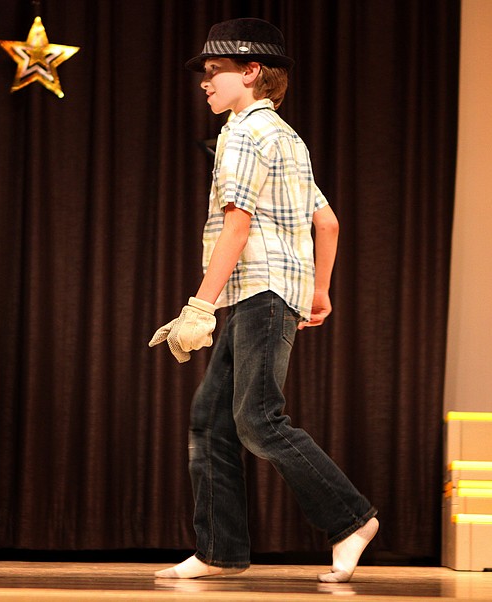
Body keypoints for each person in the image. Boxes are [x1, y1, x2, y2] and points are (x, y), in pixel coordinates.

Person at [149, 17, 378, 583]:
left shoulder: (246, 134)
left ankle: (352, 518)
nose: (204, 82)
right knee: (211, 417)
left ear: (252, 72)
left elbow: (237, 225)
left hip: (260, 291)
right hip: (274, 290)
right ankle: (219, 549)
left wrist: (199, 307)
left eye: (215, 71)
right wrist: (318, 290)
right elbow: (326, 221)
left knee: (255, 418)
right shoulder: (285, 137)